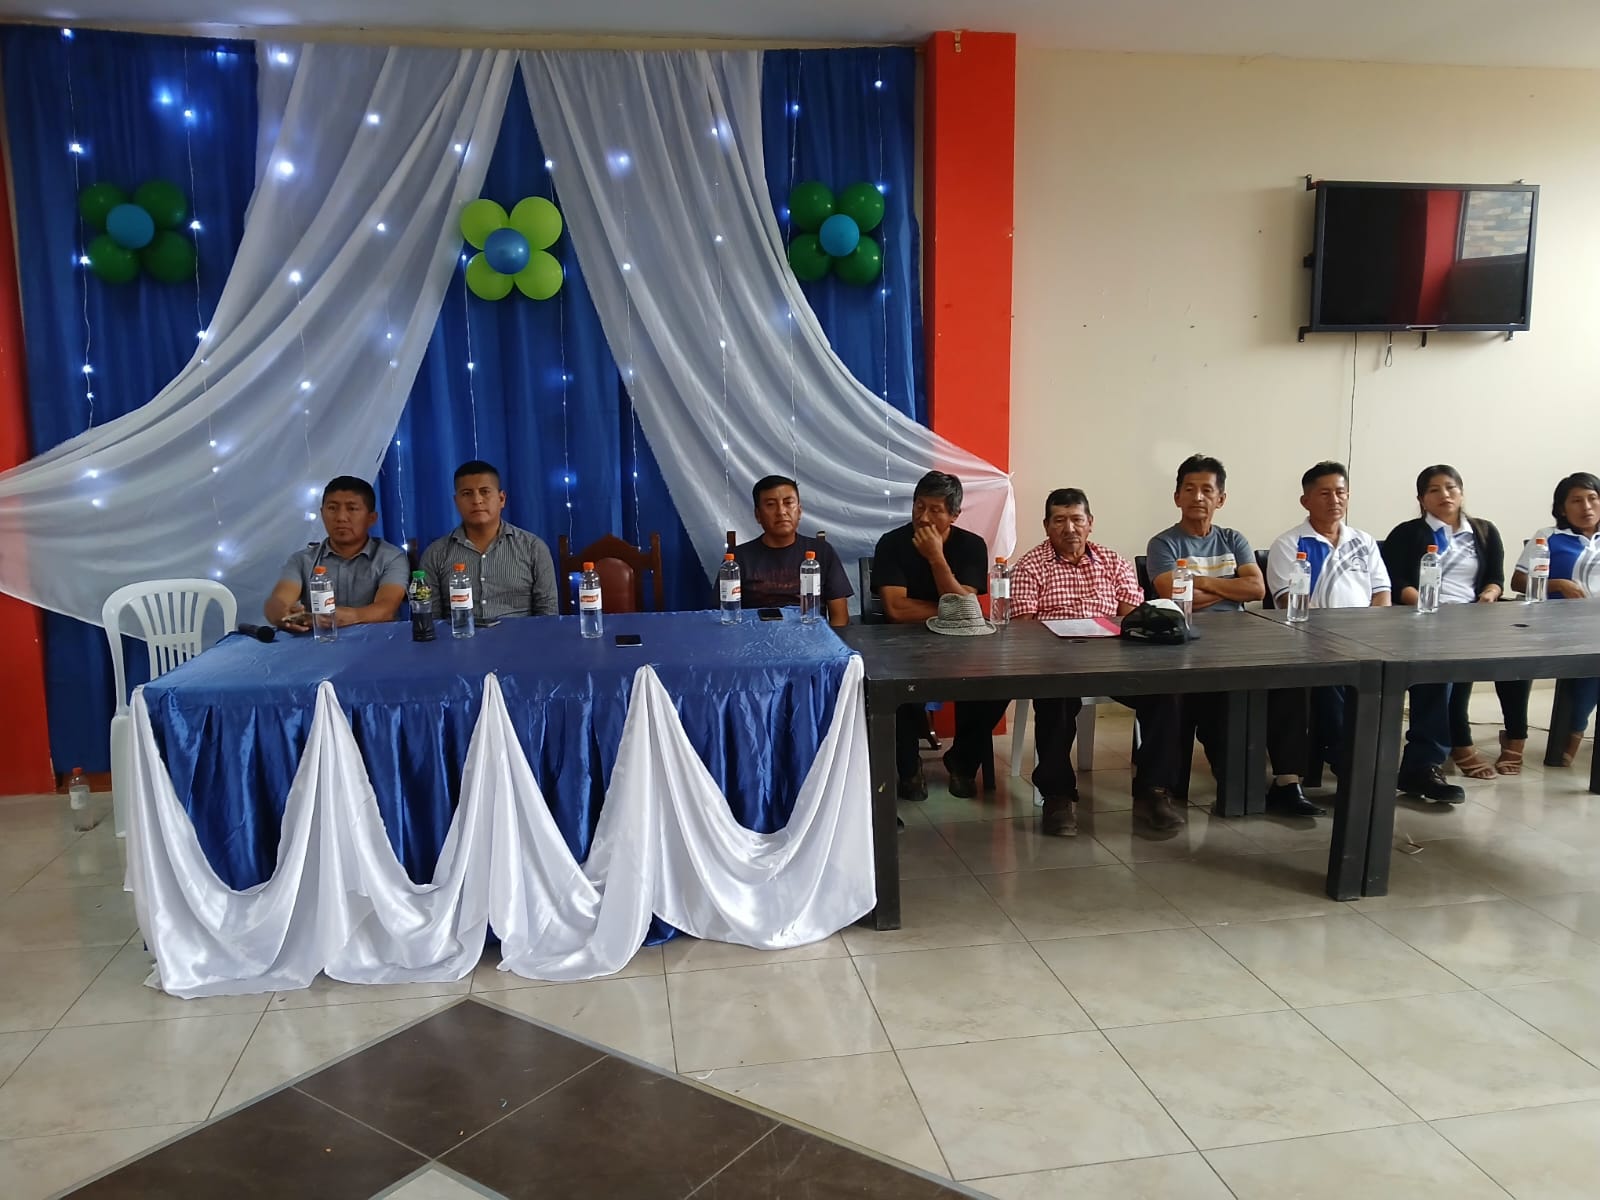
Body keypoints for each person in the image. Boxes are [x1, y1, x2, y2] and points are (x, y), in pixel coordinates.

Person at [1265, 462, 1463, 804]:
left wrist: (1371, 632)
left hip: (1369, 637)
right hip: (1315, 641)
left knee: (1434, 671)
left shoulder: (1363, 541)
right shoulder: (1290, 544)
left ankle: (1423, 766)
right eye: (1324, 493)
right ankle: (1354, 766)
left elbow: (1382, 594)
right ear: (1305, 500)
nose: (1334, 500)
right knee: (1336, 677)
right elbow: (1289, 603)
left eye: (1340, 492)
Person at [1012, 488, 1188, 836]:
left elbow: (1133, 618)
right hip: (1057, 662)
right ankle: (1057, 797)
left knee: (1166, 692)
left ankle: (1154, 791)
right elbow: (1022, 629)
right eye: (1059, 520)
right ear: (1046, 526)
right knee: (1055, 697)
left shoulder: (1112, 561)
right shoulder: (1030, 566)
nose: (1069, 528)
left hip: (1114, 661)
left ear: (1090, 523)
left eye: (1077, 519)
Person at [1145, 455, 1312, 814]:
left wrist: (1199, 582)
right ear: (1177, 497)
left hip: (1239, 641)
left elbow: (1256, 588)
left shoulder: (1233, 539)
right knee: (1213, 698)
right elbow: (1173, 595)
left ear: (1220, 499)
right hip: (1188, 645)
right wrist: (1228, 587)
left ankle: (1288, 782)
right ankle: (1230, 783)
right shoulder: (1163, 544)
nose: (1198, 497)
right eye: (1190, 489)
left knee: (1290, 683)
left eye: (1207, 490)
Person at [1382, 465, 1526, 778]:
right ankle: (1460, 743)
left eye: (1450, 488)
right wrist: (1425, 603)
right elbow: (1395, 581)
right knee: (1450, 670)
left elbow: (1495, 578)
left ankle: (1516, 735)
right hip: (1426, 619)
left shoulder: (1484, 531)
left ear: (1461, 492)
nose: (1444, 495)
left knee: (1519, 660)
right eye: (1434, 490)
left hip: (1475, 617)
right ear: (1421, 499)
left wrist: (1490, 594)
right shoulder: (1408, 533)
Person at [872, 470, 1006, 801]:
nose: (923, 517)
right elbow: (896, 610)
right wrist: (952, 606)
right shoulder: (892, 543)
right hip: (903, 642)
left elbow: (966, 611)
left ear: (954, 515)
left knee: (997, 684)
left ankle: (962, 762)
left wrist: (936, 558)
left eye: (935, 510)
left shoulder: (971, 545)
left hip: (961, 642)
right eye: (919, 506)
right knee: (897, 684)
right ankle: (908, 769)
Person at [1509, 470, 1600, 766]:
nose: (1587, 507)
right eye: (1577, 501)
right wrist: (1557, 584)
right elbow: (1518, 582)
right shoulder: (1548, 537)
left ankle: (1573, 730)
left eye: (1593, 499)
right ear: (1562, 508)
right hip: (1561, 626)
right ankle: (1573, 729)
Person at [264, 475, 408, 633]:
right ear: (322, 513)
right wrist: (281, 614)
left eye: (352, 509)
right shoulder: (302, 560)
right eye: (332, 508)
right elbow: (279, 600)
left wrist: (352, 616)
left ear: (371, 518)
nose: (341, 518)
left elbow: (387, 608)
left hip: (376, 642)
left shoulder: (391, 558)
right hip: (318, 643)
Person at [419, 460, 558, 621]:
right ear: (456, 502)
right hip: (460, 634)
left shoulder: (533, 548)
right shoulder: (436, 553)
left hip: (520, 636)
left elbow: (548, 614)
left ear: (501, 499)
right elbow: (430, 619)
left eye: (484, 492)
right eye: (467, 493)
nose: (477, 500)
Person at [732, 475, 853, 627]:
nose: (781, 511)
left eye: (788, 503)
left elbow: (840, 617)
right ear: (758, 515)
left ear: (799, 511)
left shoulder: (822, 552)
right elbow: (723, 613)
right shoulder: (738, 558)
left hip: (812, 635)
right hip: (755, 635)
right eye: (770, 505)